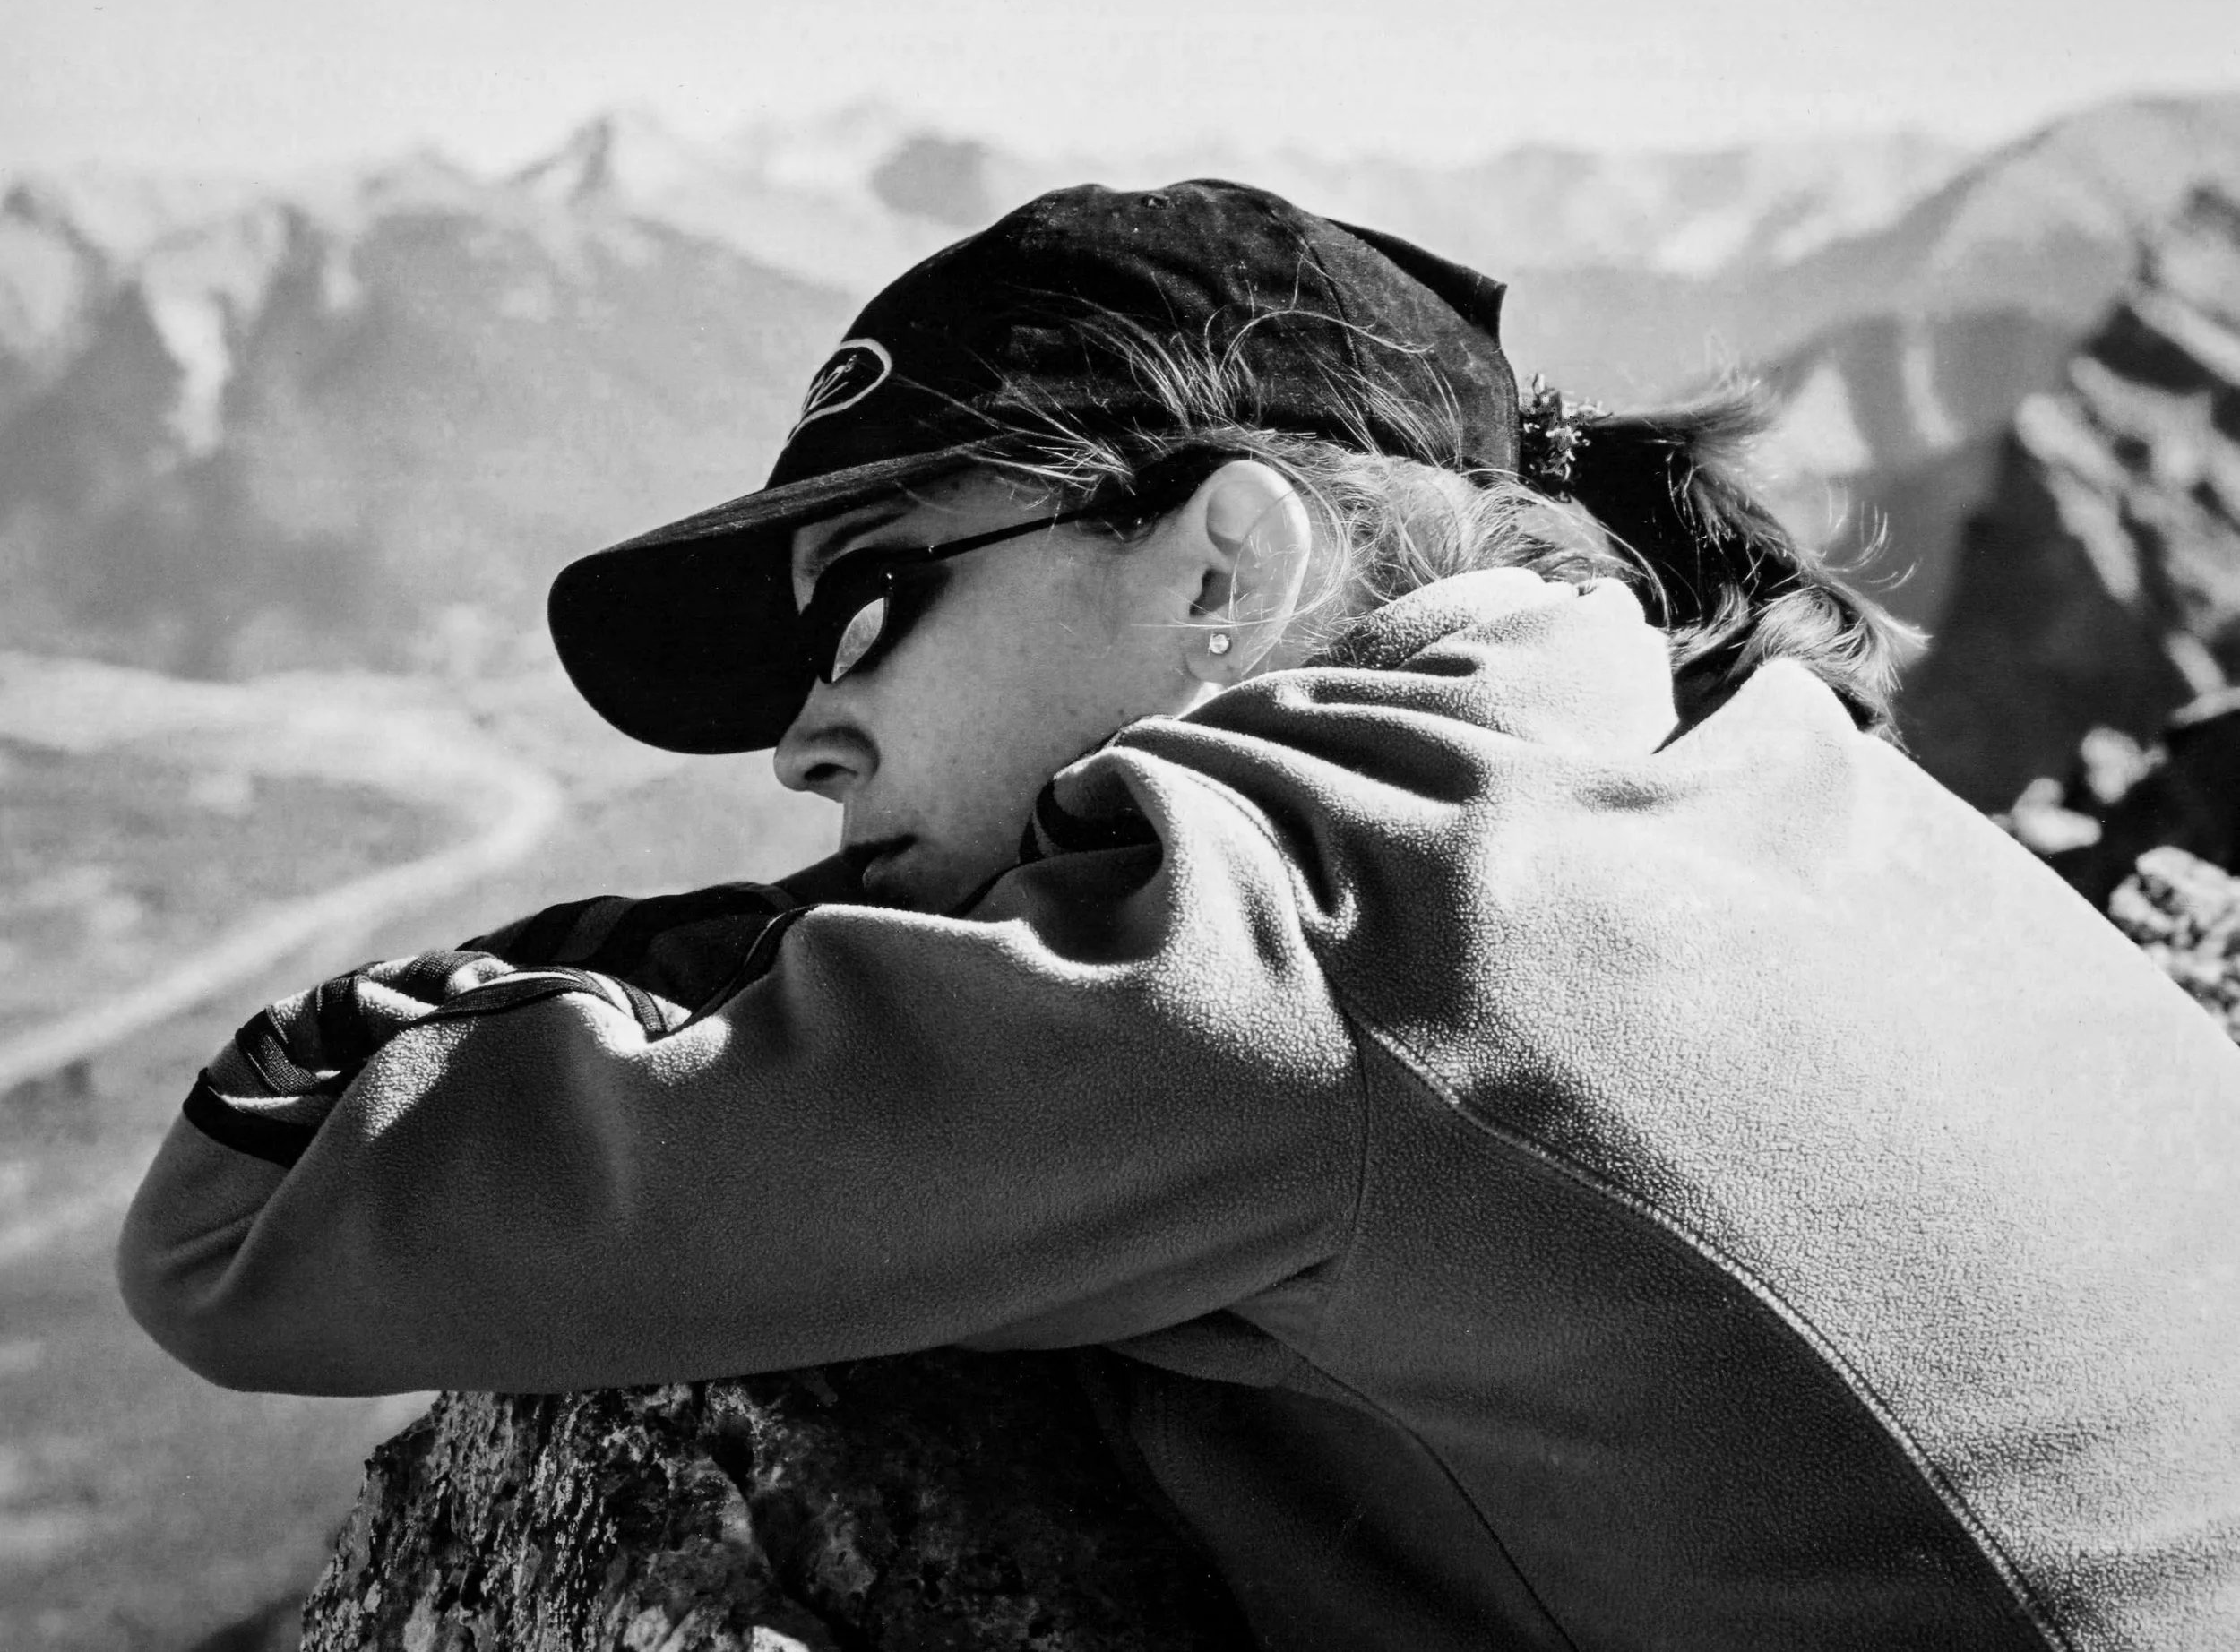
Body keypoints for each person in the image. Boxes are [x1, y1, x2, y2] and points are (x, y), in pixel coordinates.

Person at [119, 180, 2240, 1649]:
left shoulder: (1307, 952)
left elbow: (241, 1233)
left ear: (1226, 568)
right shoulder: (1738, 749)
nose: (802, 748)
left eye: (864, 608)